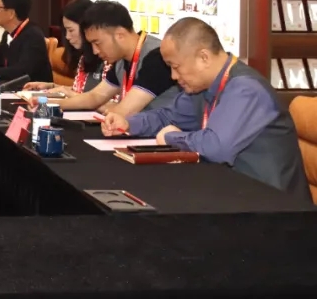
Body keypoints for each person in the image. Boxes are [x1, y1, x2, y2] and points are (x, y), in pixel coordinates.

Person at [103, 18, 309, 200]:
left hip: (274, 204)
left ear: (204, 58)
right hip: (233, 191)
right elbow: (167, 117)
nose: (173, 76)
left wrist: (171, 137)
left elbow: (216, 147)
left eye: (176, 67)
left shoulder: (246, 88)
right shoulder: (201, 87)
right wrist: (129, 123)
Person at [53, 0, 177, 116]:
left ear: (120, 35)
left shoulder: (157, 57)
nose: (95, 51)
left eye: (97, 43)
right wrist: (49, 104)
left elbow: (125, 111)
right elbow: (95, 97)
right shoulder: (121, 59)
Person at [25, 0, 112, 95]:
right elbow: (81, 91)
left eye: (71, 30)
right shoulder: (84, 58)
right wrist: (51, 86)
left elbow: (99, 99)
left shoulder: (109, 59)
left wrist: (67, 93)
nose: (67, 36)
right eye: (65, 31)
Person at [0, 0, 52, 83]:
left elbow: (19, 72)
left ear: (11, 14)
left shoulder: (33, 36)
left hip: (32, 90)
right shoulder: (8, 34)